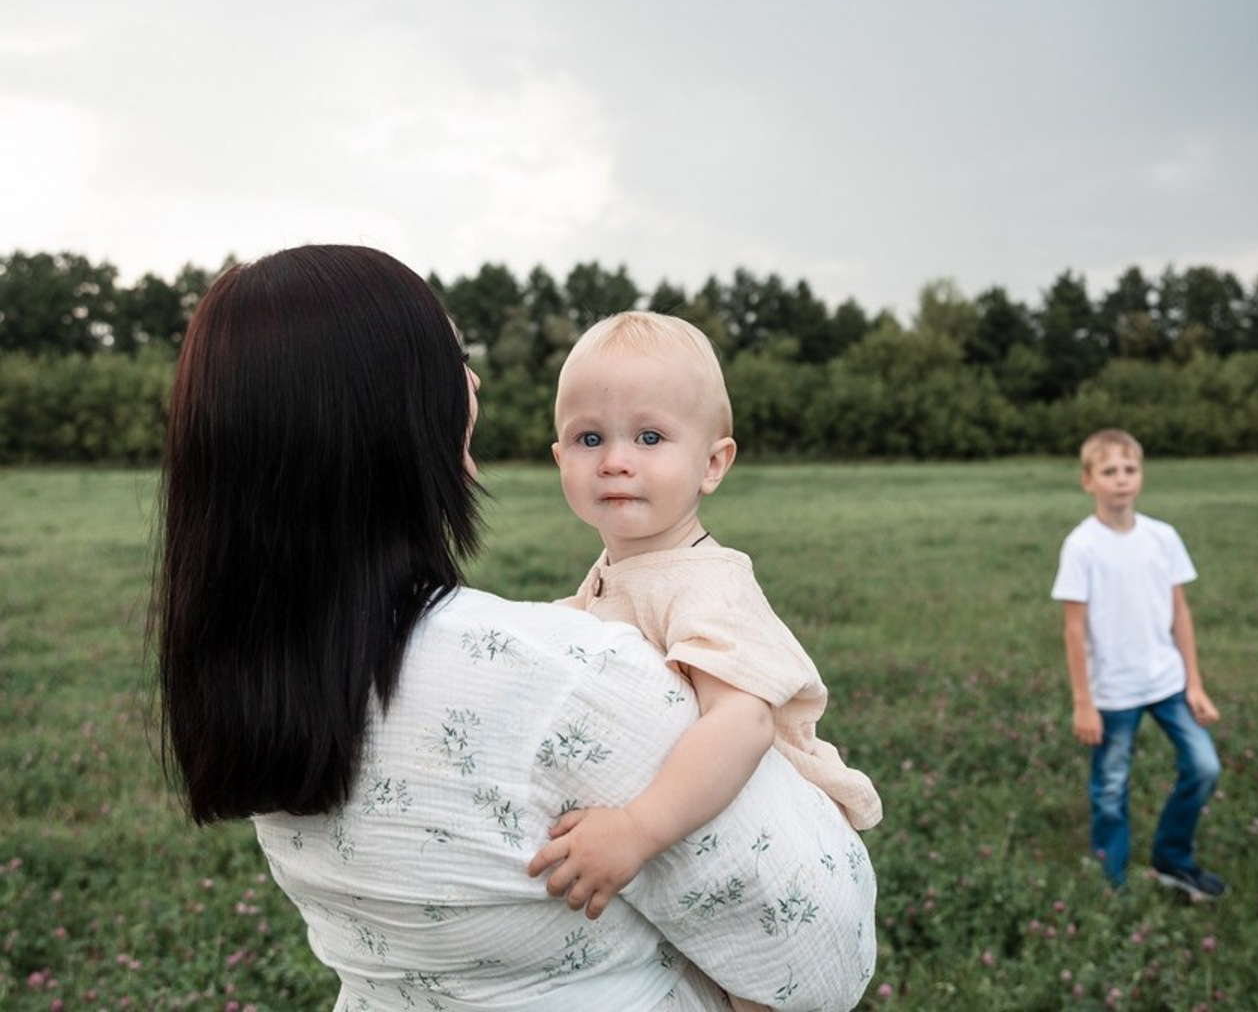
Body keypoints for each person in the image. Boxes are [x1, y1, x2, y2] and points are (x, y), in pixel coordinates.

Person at [151, 245, 876, 1012]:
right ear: (389, 411)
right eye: (451, 356)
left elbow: (747, 715)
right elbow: (821, 956)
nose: (472, 381)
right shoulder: (565, 682)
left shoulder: (260, 681)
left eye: (649, 438)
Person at [527, 312, 882, 953]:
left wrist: (635, 829)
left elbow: (740, 722)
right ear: (559, 459)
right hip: (717, 853)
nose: (614, 461)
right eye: (588, 439)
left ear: (712, 463)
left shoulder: (705, 584)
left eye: (650, 436)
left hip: (785, 862)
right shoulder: (624, 571)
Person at [1050, 427, 1224, 898]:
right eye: (1109, 471)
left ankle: (1173, 859)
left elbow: (1179, 613)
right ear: (1088, 480)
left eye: (1130, 469)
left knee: (1205, 767)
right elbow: (1073, 629)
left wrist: (1195, 684)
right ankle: (1111, 882)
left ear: (1141, 475)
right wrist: (1083, 702)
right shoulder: (1082, 545)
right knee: (1110, 789)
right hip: (1112, 693)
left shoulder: (1162, 537)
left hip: (1167, 682)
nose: (1121, 479)